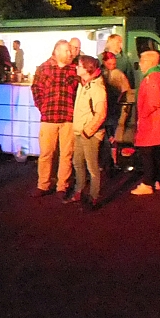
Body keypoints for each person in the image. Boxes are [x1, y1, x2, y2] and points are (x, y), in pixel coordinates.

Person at [30, 40, 78, 198]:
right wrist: (42, 107)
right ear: (57, 52)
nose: (70, 53)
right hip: (49, 117)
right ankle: (43, 184)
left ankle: (62, 186)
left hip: (68, 117)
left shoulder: (75, 69)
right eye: (66, 51)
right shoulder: (44, 68)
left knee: (66, 154)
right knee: (46, 153)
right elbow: (36, 88)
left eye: (70, 51)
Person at [130, 50, 160, 195]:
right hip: (158, 121)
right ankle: (155, 180)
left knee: (147, 152)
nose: (140, 64)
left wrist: (143, 115)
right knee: (154, 152)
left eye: (142, 61)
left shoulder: (152, 78)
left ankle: (147, 183)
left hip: (151, 122)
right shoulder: (159, 76)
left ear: (149, 63)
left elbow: (155, 101)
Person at [68, 55, 108, 209]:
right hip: (80, 131)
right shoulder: (83, 84)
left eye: (79, 65)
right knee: (77, 162)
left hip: (90, 133)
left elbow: (101, 113)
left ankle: (93, 197)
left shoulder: (97, 88)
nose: (76, 67)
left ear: (87, 69)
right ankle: (79, 191)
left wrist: (88, 131)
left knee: (92, 167)